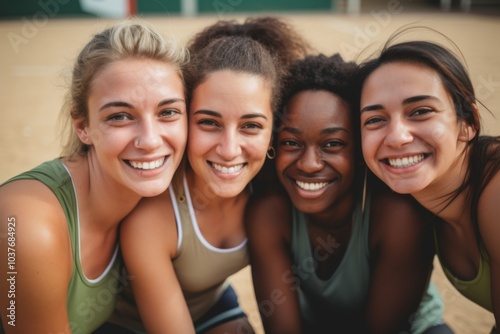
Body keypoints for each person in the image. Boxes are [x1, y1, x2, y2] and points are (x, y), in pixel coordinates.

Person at [110, 16, 309, 334]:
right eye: (209, 122)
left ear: (274, 131)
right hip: (127, 325)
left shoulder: (276, 191)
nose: (229, 149)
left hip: (212, 305)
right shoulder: (153, 217)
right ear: (185, 120)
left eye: (251, 126)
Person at [0, 19, 189, 334]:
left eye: (167, 112)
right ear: (83, 126)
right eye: (119, 116)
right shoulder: (31, 226)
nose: (151, 140)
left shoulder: (152, 203)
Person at [246, 53, 453, 333]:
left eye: (332, 143)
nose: (309, 164)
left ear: (359, 149)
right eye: (291, 143)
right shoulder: (268, 214)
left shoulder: (397, 216)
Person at [356, 30, 500, 331]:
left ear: (468, 123)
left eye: (420, 112)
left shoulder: (495, 191)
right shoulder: (418, 203)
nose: (396, 137)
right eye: (375, 119)